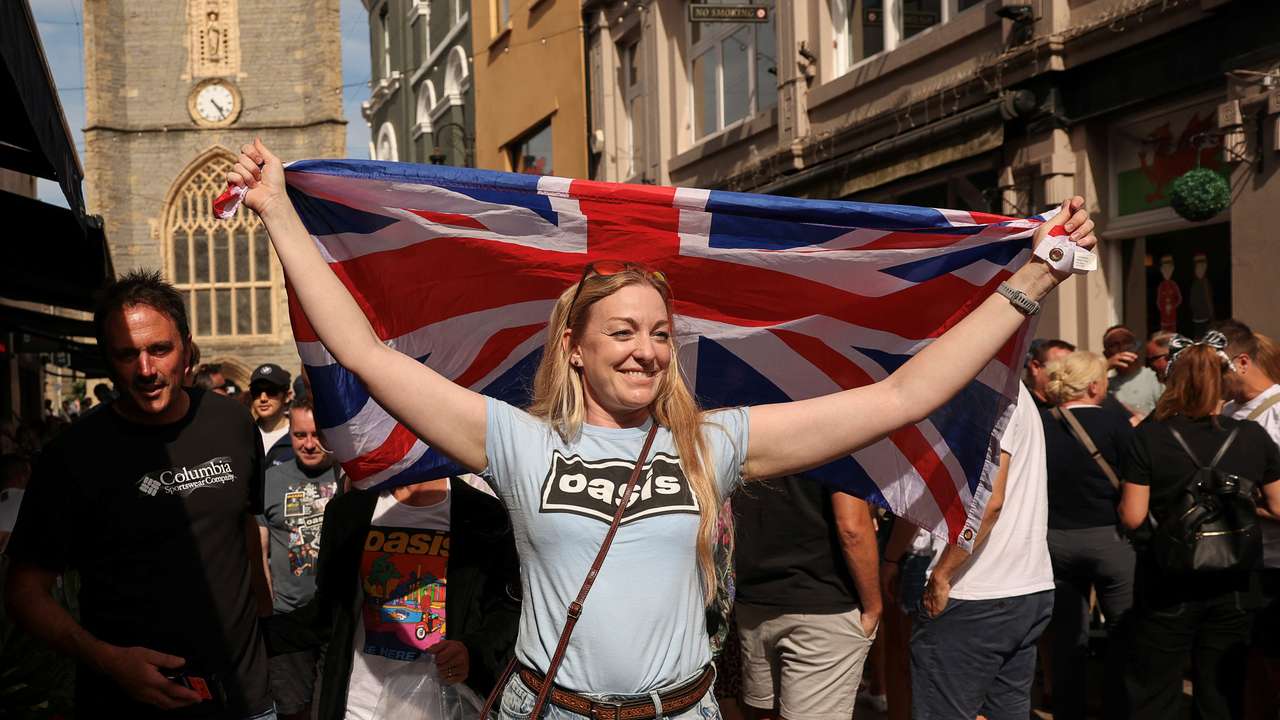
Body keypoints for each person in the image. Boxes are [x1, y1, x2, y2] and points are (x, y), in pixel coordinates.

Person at [225, 139, 1096, 718]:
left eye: (659, 334)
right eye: (622, 332)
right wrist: (278, 212)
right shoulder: (517, 441)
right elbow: (367, 354)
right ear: (573, 347)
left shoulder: (713, 443)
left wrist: (1031, 279)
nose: (645, 352)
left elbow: (903, 395)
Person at [3, 270, 274, 718]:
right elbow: (23, 594)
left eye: (160, 349)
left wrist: (269, 643)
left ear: (186, 348)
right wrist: (109, 661)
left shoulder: (235, 424)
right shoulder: (72, 455)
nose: (146, 370)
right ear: (109, 359)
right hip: (125, 703)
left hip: (244, 700)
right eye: (128, 354)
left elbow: (244, 533)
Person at [263, 473, 521, 720]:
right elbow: (327, 615)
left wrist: (472, 652)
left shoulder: (482, 513)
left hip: (448, 706)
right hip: (358, 706)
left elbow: (506, 611)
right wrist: (248, 639)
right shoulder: (348, 510)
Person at [1118, 336, 1280, 720]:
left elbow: (1133, 517)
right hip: (1235, 579)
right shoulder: (1252, 436)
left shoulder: (1150, 436)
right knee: (1221, 689)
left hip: (1167, 576)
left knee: (1156, 687)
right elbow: (1278, 504)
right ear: (1224, 382)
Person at [890, 382, 1054, 720]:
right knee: (1006, 710)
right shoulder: (1008, 389)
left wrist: (943, 573)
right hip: (1023, 587)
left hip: (977, 593)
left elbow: (990, 502)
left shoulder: (990, 390)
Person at [731, 481, 881, 720]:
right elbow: (852, 528)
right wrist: (874, 606)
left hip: (754, 597)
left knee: (762, 712)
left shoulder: (748, 440)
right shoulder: (837, 442)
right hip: (823, 605)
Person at [1040, 351, 1135, 720]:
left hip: (1054, 539)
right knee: (1122, 633)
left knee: (1065, 639)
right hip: (1109, 538)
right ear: (1095, 386)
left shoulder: (1042, 425)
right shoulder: (1117, 425)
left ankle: (1068, 710)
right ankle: (1119, 708)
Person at [257, 397, 342, 720]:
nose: (308, 444)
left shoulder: (349, 477)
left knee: (331, 708)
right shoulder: (270, 481)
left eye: (316, 434)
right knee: (293, 711)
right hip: (288, 617)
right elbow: (258, 548)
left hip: (337, 619)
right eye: (299, 435)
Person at [1215, 322, 1280, 720]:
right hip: (1233, 557)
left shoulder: (1276, 411)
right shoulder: (1223, 411)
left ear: (1241, 362)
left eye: (1217, 367)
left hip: (1273, 560)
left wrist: (1241, 499)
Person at [1102, 325, 1163, 418]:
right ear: (1106, 354)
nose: (1122, 347)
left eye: (1126, 342)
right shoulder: (1104, 385)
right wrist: (1105, 366)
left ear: (1136, 346)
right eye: (1114, 345)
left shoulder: (1154, 378)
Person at [250, 363, 294, 466]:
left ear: (288, 396)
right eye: (256, 391)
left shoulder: (299, 434)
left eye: (271, 391)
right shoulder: (245, 434)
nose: (263, 398)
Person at [1024, 338, 1076, 409]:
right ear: (1035, 367)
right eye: (1059, 368)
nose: (1066, 375)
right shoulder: (1020, 403)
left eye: (1071, 370)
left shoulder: (1073, 405)